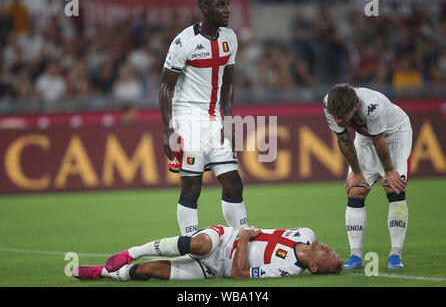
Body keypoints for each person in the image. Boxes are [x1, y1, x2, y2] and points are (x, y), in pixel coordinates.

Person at [159, 0, 247, 237]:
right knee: (192, 187)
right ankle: (190, 245)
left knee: (233, 181)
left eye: (228, 5)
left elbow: (228, 84)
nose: (227, 10)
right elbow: (165, 88)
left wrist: (228, 122)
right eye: (221, 5)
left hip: (214, 119)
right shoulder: (183, 41)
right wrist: (169, 130)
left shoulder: (230, 38)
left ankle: (240, 242)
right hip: (186, 118)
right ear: (205, 8)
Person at [323, 83, 412, 270]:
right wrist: (356, 172)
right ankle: (355, 255)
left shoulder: (372, 106)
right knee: (356, 191)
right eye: (335, 116)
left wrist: (389, 171)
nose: (337, 120)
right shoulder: (329, 104)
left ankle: (395, 254)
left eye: (342, 117)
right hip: (365, 138)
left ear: (355, 107)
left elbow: (379, 140)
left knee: (393, 186)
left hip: (394, 134)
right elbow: (343, 139)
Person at [73, 225, 343, 281]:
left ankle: (104, 273)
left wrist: (246, 239)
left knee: (151, 270)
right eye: (331, 251)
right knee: (199, 244)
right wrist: (241, 234)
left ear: (315, 268)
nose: (329, 249)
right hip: (223, 236)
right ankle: (132, 251)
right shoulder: (305, 233)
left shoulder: (290, 268)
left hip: (217, 269)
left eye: (328, 256)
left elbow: (239, 274)